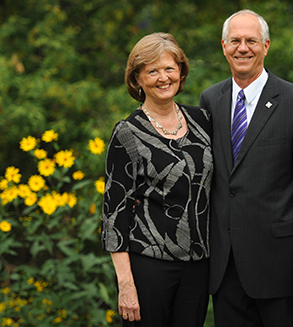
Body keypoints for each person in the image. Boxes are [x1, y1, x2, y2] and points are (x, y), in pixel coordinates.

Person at [199, 9, 293, 327]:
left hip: (282, 273)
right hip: (227, 272)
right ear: (223, 46)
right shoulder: (210, 101)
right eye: (235, 41)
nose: (242, 48)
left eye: (251, 40)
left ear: (266, 46)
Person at [102, 32, 212, 327]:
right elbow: (114, 214)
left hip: (198, 267)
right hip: (148, 267)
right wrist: (126, 285)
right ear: (137, 79)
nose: (163, 78)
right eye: (152, 71)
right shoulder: (127, 133)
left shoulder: (203, 122)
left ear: (181, 72)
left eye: (169, 69)